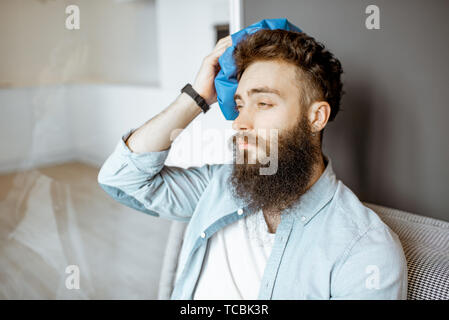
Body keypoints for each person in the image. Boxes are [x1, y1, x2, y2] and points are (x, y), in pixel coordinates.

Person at [97, 29, 407, 299]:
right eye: (241, 105)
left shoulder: (365, 251)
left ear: (316, 117)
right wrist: (196, 98)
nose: (240, 123)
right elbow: (121, 179)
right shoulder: (219, 184)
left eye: (263, 103)